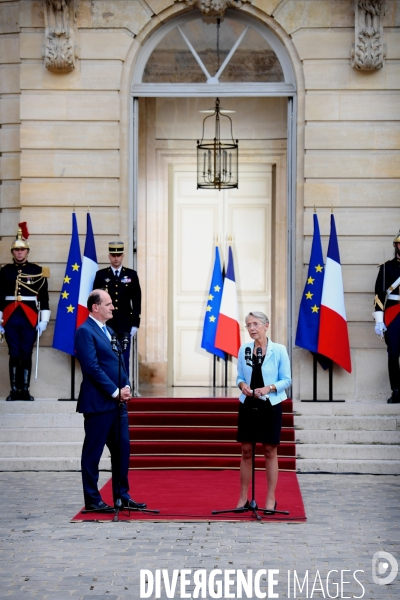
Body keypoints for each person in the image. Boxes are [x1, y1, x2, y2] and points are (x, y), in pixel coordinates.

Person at [74, 289, 146, 513]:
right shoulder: (85, 331)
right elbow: (92, 368)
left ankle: (121, 496)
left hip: (118, 404)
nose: (113, 307)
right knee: (92, 453)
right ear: (95, 307)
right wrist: (115, 392)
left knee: (122, 450)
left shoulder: (109, 330)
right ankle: (93, 500)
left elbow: (118, 362)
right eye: (108, 304)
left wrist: (126, 386)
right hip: (98, 404)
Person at [236, 311, 291, 512]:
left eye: (255, 324)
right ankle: (243, 498)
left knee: (269, 450)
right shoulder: (245, 350)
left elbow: (287, 379)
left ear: (266, 326)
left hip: (271, 404)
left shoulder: (279, 350)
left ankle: (270, 498)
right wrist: (242, 385)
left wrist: (269, 388)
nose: (251, 328)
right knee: (247, 450)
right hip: (248, 403)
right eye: (248, 325)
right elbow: (239, 376)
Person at [0, 224, 50, 401]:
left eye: (22, 250)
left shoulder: (37, 271)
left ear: (27, 251)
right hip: (10, 316)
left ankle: (25, 390)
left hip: (29, 316)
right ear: (13, 252)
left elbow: (43, 297)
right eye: (16, 250)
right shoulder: (5, 271)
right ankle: (14, 390)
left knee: (26, 352)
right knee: (14, 352)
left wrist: (43, 319)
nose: (19, 253)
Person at [92, 241, 141, 375]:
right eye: (113, 255)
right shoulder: (101, 275)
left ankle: (124, 388)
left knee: (124, 357)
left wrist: (135, 323)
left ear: (123, 256)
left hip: (125, 323)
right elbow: (95, 301)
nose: (116, 258)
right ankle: (110, 390)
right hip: (107, 323)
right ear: (109, 256)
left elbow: (136, 300)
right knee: (106, 356)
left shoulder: (131, 275)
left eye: (118, 255)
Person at [373, 230, 400, 404]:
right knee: (394, 353)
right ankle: (396, 390)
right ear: (396, 245)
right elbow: (379, 296)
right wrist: (379, 320)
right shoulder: (386, 268)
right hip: (393, 314)